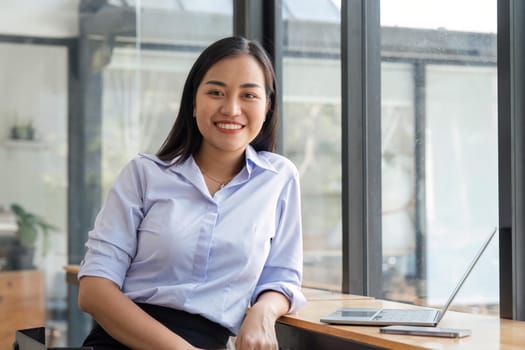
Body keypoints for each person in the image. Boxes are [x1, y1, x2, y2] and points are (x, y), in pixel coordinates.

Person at [77, 35, 306, 350]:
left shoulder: (279, 178)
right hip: (122, 339)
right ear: (193, 102)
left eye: (249, 95)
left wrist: (264, 312)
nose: (231, 109)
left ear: (267, 106)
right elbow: (94, 290)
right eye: (215, 92)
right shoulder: (144, 174)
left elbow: (281, 277)